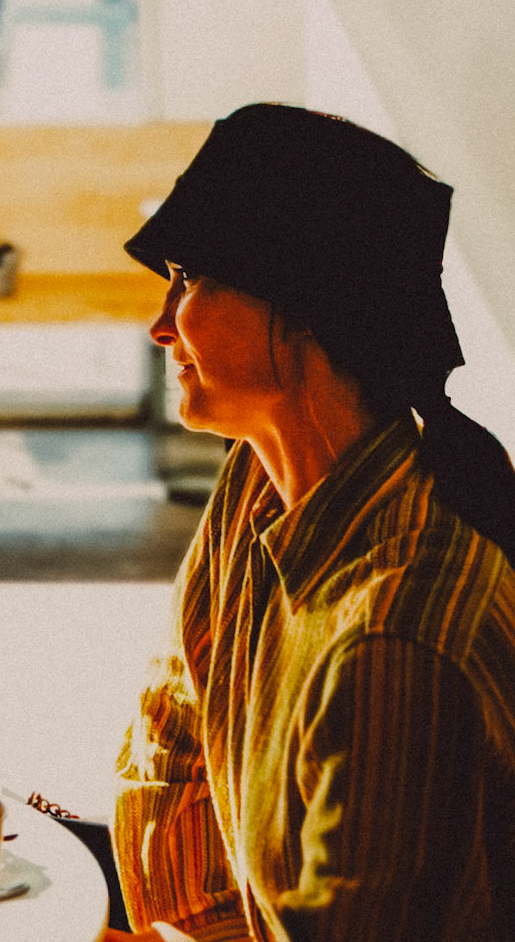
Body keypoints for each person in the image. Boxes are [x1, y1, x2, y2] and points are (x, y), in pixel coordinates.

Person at [105, 104, 515, 942]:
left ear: (300, 306)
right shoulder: (259, 478)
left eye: (189, 279)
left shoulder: (396, 646)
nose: (160, 324)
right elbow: (174, 726)